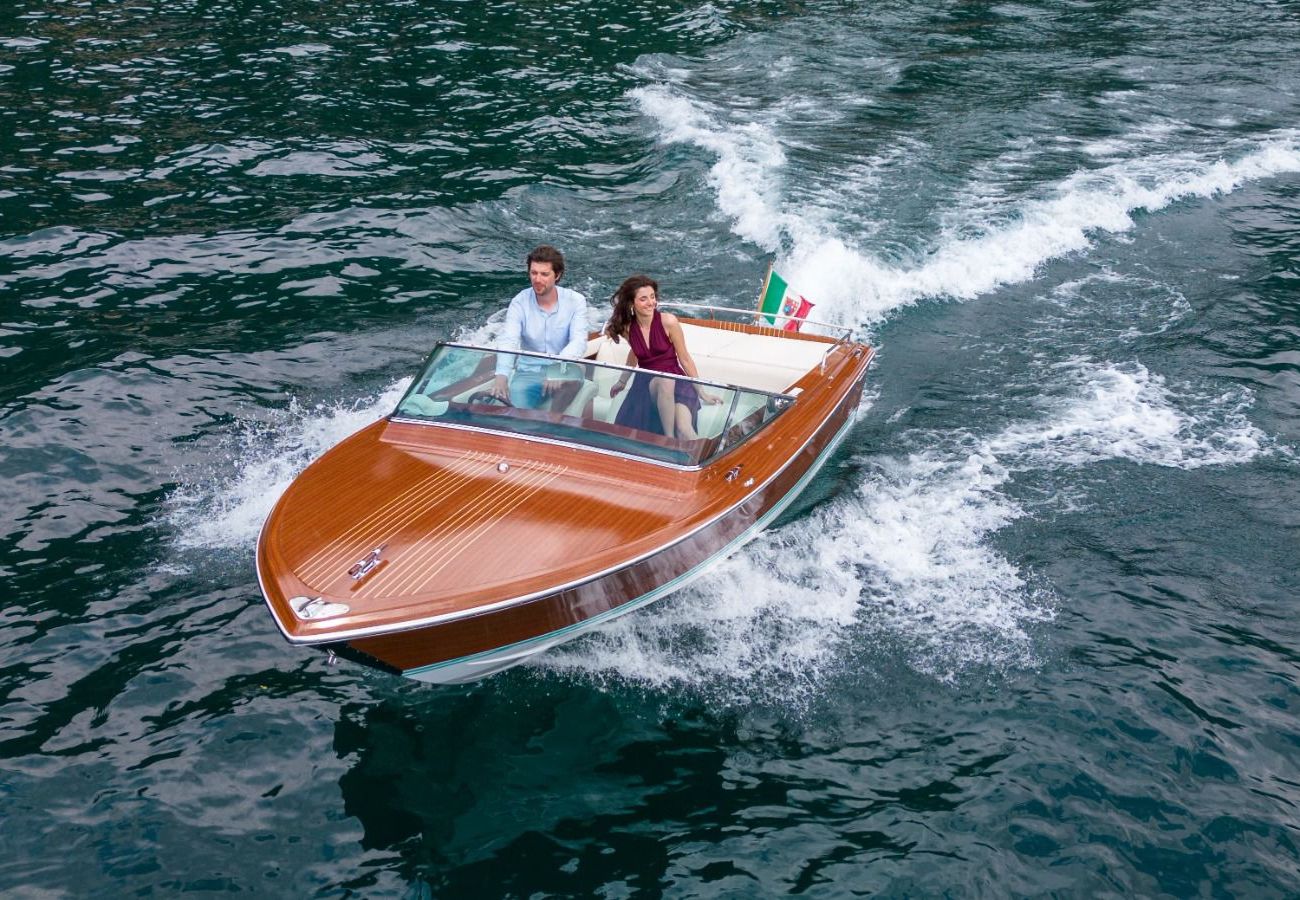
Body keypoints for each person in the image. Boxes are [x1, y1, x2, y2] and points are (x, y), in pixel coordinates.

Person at [604, 274, 718, 439]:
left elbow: (685, 359)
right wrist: (622, 381)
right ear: (631, 303)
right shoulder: (627, 328)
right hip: (646, 383)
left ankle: (692, 448)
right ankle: (669, 439)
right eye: (643, 299)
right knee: (665, 381)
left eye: (652, 297)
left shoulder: (669, 322)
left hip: (678, 382)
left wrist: (702, 392)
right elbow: (634, 353)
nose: (651, 302)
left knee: (683, 428)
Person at [491, 245, 589, 408]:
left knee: (574, 375)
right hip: (528, 372)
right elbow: (509, 340)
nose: (537, 279)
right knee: (515, 414)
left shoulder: (576, 301)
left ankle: (554, 419)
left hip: (564, 367)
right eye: (534, 273)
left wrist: (557, 368)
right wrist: (501, 376)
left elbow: (579, 341)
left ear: (557, 275)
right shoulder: (519, 302)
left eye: (544, 274)